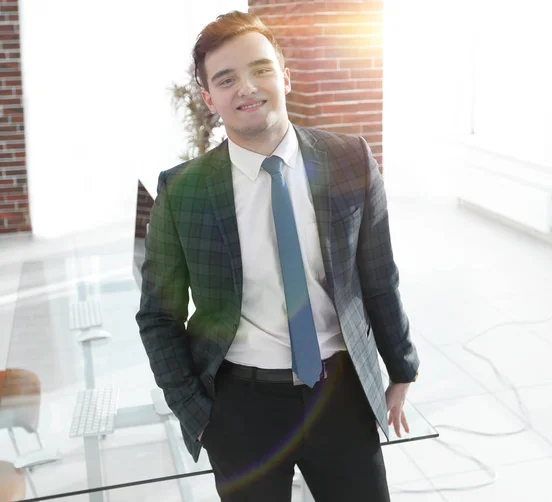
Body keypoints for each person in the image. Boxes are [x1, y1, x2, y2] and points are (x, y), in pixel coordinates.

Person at [136, 10, 420, 502]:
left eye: (261, 69)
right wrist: (196, 415)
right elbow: (158, 317)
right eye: (226, 79)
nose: (247, 87)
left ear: (284, 76)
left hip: (342, 395)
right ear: (209, 99)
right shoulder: (181, 191)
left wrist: (402, 369)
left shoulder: (351, 159)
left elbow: (379, 278)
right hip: (240, 409)